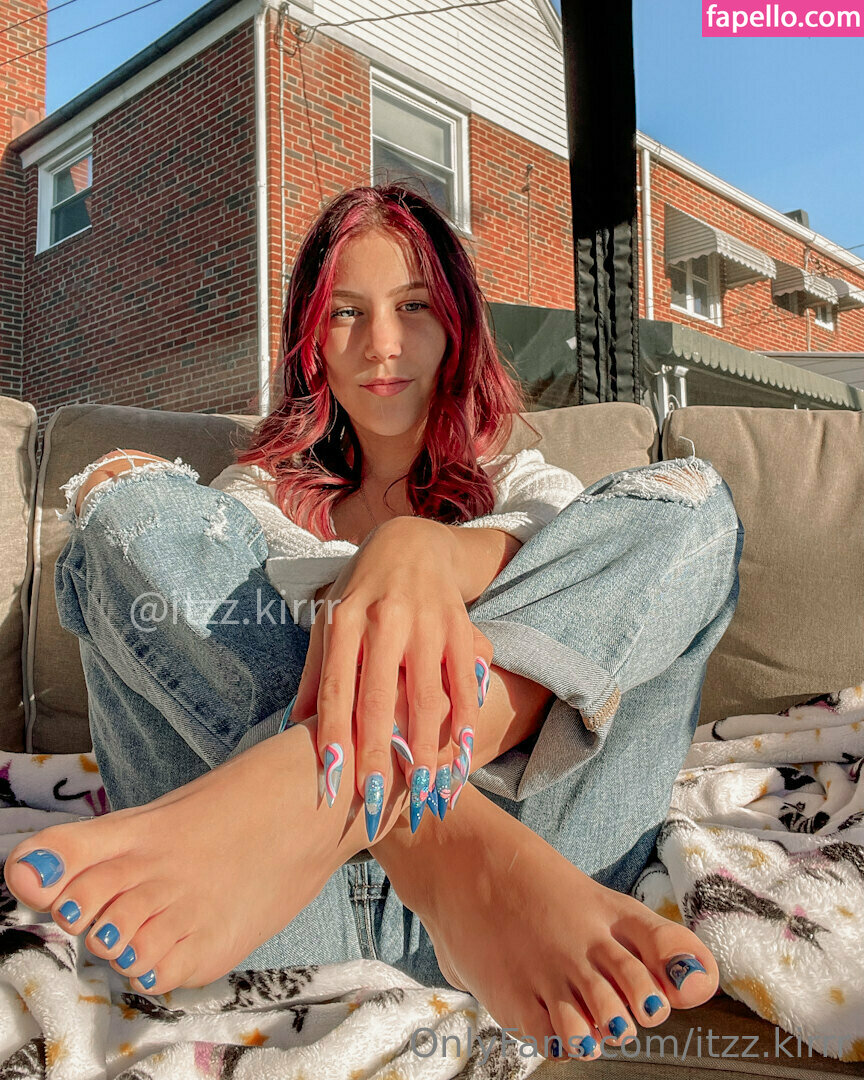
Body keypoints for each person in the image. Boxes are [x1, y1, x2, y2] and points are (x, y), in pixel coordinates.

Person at [4, 184, 744, 1062]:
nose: (382, 344)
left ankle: (329, 791)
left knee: (693, 503)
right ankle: (439, 845)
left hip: (541, 867)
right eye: (346, 312)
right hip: (268, 891)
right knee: (123, 497)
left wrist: (424, 549)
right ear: (312, 340)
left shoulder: (524, 485)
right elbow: (218, 588)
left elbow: (579, 558)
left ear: (457, 327)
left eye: (413, 307)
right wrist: (375, 579)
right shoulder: (251, 500)